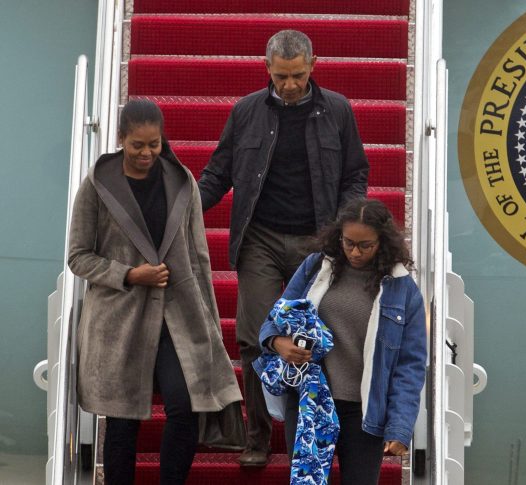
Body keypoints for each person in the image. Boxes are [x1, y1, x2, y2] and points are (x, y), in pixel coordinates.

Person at [197, 29, 369, 466]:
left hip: (319, 240)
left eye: (296, 75)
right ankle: (257, 436)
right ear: (267, 68)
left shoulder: (339, 111)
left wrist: (343, 227)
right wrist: (183, 207)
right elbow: (218, 175)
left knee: (316, 340)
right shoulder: (245, 113)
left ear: (313, 65)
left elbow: (355, 175)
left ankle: (313, 433)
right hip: (261, 239)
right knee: (257, 336)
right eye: (281, 77)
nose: (289, 84)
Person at [68, 99, 243, 484]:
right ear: (120, 140)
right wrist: (130, 274)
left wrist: (209, 320)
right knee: (123, 419)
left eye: (154, 144)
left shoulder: (182, 183)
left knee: (185, 406)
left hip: (176, 314)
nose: (147, 153)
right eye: (137, 146)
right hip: (119, 318)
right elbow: (78, 257)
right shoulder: (97, 185)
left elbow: (198, 258)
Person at [260, 198, 427, 485]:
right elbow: (275, 318)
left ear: (382, 242)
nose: (355, 252)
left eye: (365, 245)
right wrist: (277, 343)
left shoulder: (403, 291)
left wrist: (400, 428)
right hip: (309, 398)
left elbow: (409, 367)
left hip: (363, 410)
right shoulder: (315, 267)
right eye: (348, 242)